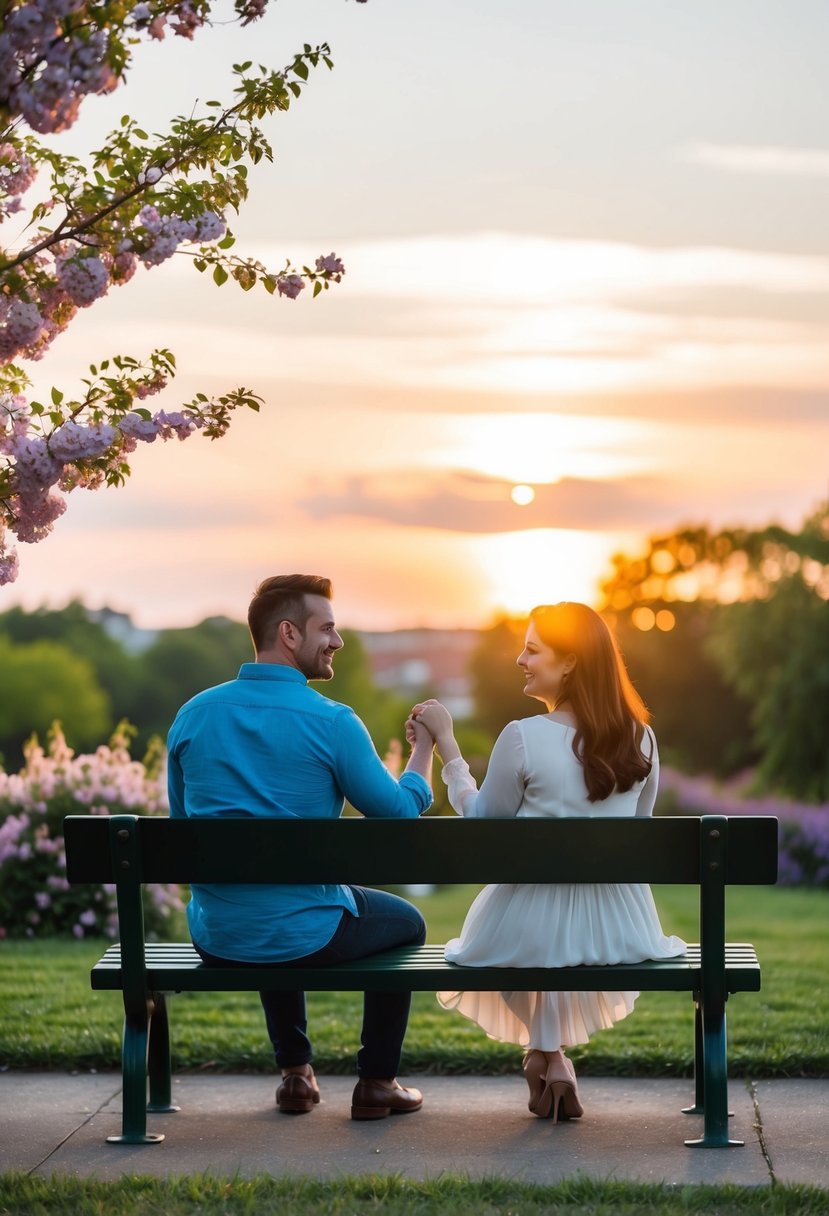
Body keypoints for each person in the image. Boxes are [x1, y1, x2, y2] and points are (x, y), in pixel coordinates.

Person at [167, 574, 436, 1121]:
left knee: (272, 902)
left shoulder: (193, 715)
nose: (337, 641)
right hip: (305, 933)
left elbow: (180, 830)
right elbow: (400, 815)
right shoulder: (332, 722)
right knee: (405, 924)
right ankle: (378, 1082)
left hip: (217, 936)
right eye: (327, 629)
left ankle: (295, 1073)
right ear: (289, 633)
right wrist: (424, 751)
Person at [409, 601, 685, 1123]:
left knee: (504, 938)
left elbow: (482, 826)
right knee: (552, 936)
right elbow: (638, 836)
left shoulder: (523, 737)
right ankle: (551, 1057)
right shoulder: (642, 738)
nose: (519, 660)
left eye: (532, 650)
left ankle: (550, 1058)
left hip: (525, 927)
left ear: (571, 663)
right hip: (622, 929)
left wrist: (448, 749)